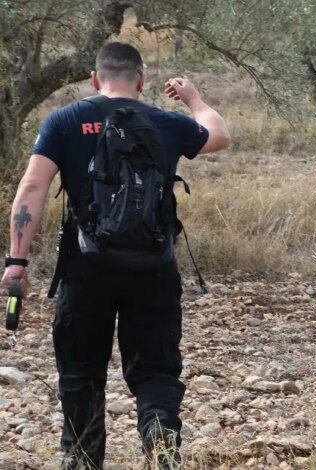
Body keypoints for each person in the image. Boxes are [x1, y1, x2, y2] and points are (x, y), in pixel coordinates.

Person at [1, 42, 229, 469]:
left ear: (94, 79)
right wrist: (194, 98)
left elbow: (31, 190)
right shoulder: (163, 121)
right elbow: (219, 136)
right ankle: (159, 437)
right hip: (154, 268)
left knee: (81, 371)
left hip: (86, 270)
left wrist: (17, 262)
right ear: (140, 81)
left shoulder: (66, 120)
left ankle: (83, 460)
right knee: (157, 372)